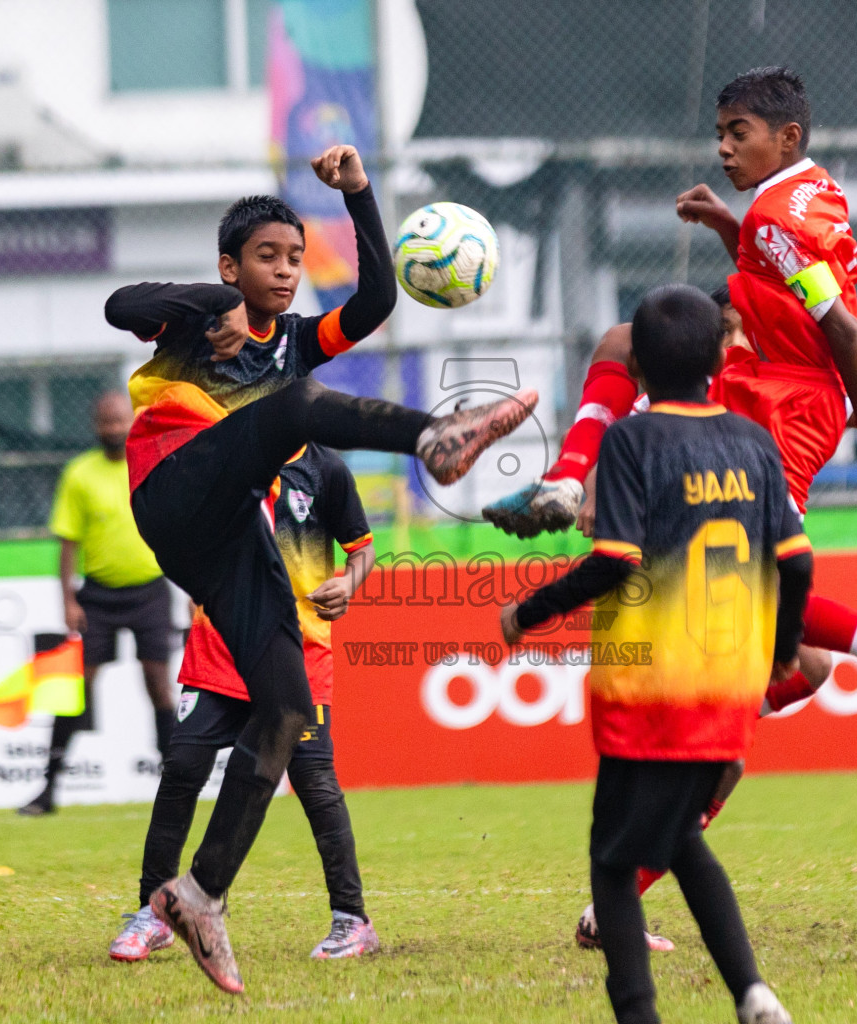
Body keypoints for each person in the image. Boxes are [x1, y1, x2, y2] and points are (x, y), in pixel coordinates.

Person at [486, 67, 857, 760]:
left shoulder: (774, 218)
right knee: (625, 343)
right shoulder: (805, 192)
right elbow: (789, 285)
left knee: (764, 587)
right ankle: (566, 481)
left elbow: (838, 328)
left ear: (786, 135)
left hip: (790, 403)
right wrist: (727, 228)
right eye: (720, 135)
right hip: (767, 376)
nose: (724, 149)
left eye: (738, 134)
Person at [105, 143, 535, 993]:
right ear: (231, 264)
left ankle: (200, 894)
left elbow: (376, 297)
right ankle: (432, 437)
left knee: (290, 708)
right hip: (170, 490)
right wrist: (209, 301)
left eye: (296, 258)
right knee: (296, 408)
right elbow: (120, 302)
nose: (286, 271)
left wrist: (360, 194)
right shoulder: (196, 319)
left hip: (228, 537)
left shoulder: (297, 340)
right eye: (268, 257)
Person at [503, 285, 810, 1024]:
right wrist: (781, 653)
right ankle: (752, 993)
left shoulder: (630, 441)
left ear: (634, 364)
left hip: (647, 679)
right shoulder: (751, 441)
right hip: (730, 673)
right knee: (673, 837)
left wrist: (530, 610)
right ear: (720, 356)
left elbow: (613, 559)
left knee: (611, 859)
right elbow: (795, 563)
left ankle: (639, 1014)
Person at [109, 443, 380, 963]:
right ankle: (153, 912)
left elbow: (361, 547)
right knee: (183, 766)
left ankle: (353, 919)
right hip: (222, 644)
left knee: (314, 782)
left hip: (298, 650)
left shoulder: (326, 470)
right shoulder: (222, 452)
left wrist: (349, 581)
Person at [19, 392, 176, 816]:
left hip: (150, 590)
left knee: (158, 684)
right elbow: (67, 543)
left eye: (120, 421)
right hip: (99, 596)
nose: (114, 429)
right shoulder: (79, 473)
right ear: (95, 425)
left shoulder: (153, 463)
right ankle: (48, 790)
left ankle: (176, 787)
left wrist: (196, 588)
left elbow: (179, 528)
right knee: (75, 689)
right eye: (106, 422)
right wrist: (68, 599)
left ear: (133, 421)